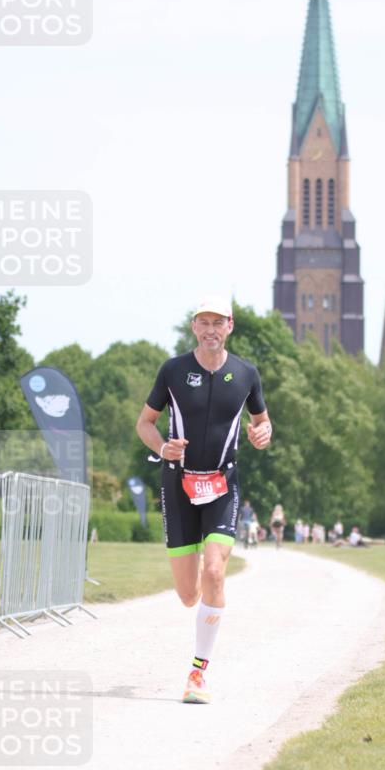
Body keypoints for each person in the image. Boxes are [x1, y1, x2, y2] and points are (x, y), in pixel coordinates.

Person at [135, 296, 271, 704]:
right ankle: (199, 599)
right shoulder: (173, 370)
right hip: (178, 485)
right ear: (193, 327)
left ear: (230, 325)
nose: (211, 329)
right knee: (188, 595)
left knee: (214, 573)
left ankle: (198, 674)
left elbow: (262, 421)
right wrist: (162, 448)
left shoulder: (246, 373)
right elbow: (145, 423)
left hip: (222, 484)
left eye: (218, 322)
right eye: (203, 322)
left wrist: (263, 434)